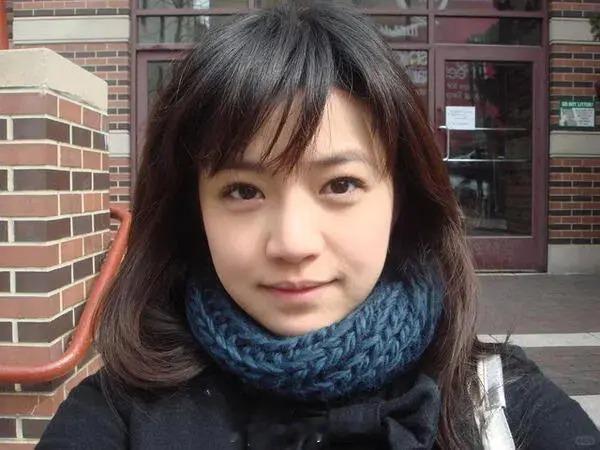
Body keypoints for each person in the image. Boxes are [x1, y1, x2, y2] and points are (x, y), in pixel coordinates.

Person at [37, 2, 599, 449]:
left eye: (340, 185)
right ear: (195, 213)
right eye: (243, 191)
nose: (292, 243)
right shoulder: (118, 413)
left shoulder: (502, 404)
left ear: (401, 200)